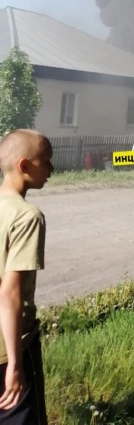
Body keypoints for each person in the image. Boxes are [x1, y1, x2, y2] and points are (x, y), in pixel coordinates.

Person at [0, 129, 53, 424]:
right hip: (9, 350)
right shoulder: (26, 216)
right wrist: (16, 364)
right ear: (24, 165)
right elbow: (9, 295)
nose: (52, 169)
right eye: (46, 161)